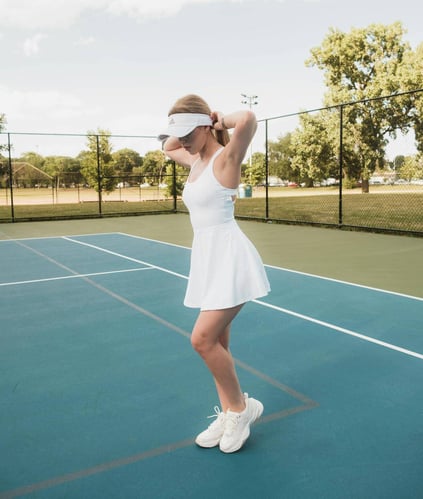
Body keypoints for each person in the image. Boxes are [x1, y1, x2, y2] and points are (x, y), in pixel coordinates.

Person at [159, 94, 270, 453]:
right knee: (219, 344)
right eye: (183, 133)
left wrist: (218, 122)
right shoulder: (192, 158)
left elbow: (249, 119)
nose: (185, 139)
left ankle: (241, 408)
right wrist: (186, 127)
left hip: (230, 259)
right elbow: (167, 145)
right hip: (207, 259)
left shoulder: (227, 159)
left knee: (202, 341)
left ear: (206, 125)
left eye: (192, 131)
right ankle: (228, 411)